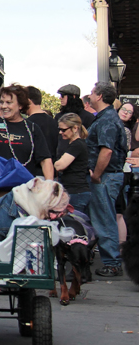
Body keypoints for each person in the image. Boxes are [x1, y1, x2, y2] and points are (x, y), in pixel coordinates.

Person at [86, 81, 126, 277]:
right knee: (102, 217)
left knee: (104, 218)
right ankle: (110, 261)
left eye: (92, 92)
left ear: (100, 96)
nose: (90, 95)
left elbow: (107, 150)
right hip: (106, 175)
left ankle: (111, 263)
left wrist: (97, 175)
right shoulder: (105, 117)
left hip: (105, 176)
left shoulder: (107, 119)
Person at [0, 84, 53, 180]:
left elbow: (45, 160)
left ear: (20, 105)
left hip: (23, 189)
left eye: (9, 102)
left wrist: (49, 185)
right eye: (2, 102)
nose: (4, 106)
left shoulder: (32, 128)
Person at [55, 113, 91, 213]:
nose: (60, 132)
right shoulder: (74, 144)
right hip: (75, 190)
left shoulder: (77, 145)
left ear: (75, 128)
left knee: (74, 224)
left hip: (76, 191)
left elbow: (59, 165)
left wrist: (55, 163)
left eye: (63, 130)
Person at [26, 86, 59, 162]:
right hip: (51, 169)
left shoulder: (28, 124)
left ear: (28, 101)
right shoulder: (54, 122)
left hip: (33, 169)